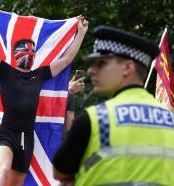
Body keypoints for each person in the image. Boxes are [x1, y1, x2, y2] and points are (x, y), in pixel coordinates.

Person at [0, 3, 88, 186]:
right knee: (2, 171)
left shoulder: (40, 74)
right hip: (7, 133)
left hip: (27, 137)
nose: (29, 53)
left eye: (31, 50)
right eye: (24, 49)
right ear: (15, 53)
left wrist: (81, 32)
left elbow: (66, 59)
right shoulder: (5, 71)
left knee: (17, 183)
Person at [53, 25, 174, 186]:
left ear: (127, 68)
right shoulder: (170, 120)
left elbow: (60, 172)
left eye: (101, 63)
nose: (91, 70)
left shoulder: (93, 120)